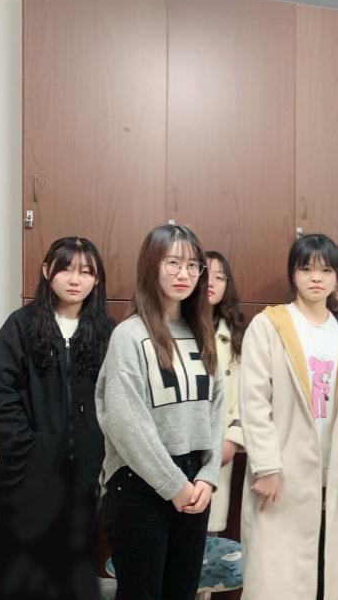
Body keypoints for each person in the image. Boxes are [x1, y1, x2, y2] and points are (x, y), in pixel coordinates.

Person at [239, 233, 338, 599]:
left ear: (336, 277)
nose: (316, 278)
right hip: (282, 469)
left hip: (334, 470)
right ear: (292, 274)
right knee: (276, 572)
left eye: (326, 270)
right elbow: (253, 401)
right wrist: (266, 466)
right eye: (306, 269)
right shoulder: (270, 325)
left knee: (324, 571)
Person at [97, 224, 223, 599]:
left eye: (192, 265)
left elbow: (216, 411)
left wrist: (208, 477)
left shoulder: (202, 333)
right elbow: (125, 422)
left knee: (182, 592)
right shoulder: (129, 336)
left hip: (194, 484)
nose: (184, 274)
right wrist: (173, 485)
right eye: (172, 263)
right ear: (151, 266)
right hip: (140, 483)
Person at [0, 237, 112, 600]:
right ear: (47, 271)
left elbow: (117, 400)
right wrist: (26, 449)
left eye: (86, 271)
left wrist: (98, 450)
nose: (75, 279)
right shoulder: (20, 325)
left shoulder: (106, 332)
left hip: (84, 475)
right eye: (66, 269)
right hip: (27, 475)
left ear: (96, 279)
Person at [204, 251, 247, 534]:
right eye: (205, 274)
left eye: (220, 278)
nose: (211, 283)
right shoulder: (167, 329)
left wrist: (233, 439)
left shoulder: (235, 335)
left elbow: (246, 395)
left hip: (219, 447)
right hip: (173, 449)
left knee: (208, 535)